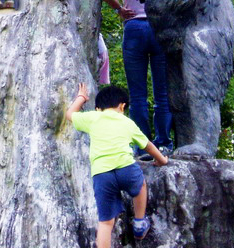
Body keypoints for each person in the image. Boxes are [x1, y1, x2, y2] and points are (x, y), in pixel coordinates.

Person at [66, 83, 168, 248]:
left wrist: (81, 98)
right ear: (122, 106)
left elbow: (70, 114)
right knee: (140, 186)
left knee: (105, 223)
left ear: (98, 108)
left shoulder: (92, 117)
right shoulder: (127, 122)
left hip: (102, 174)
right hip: (126, 168)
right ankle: (139, 223)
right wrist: (162, 160)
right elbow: (147, 145)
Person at [105, 0, 173, 155]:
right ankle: (163, 143)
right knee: (162, 93)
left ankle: (142, 146)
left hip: (134, 27)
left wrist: (118, 8)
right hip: (159, 27)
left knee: (137, 95)